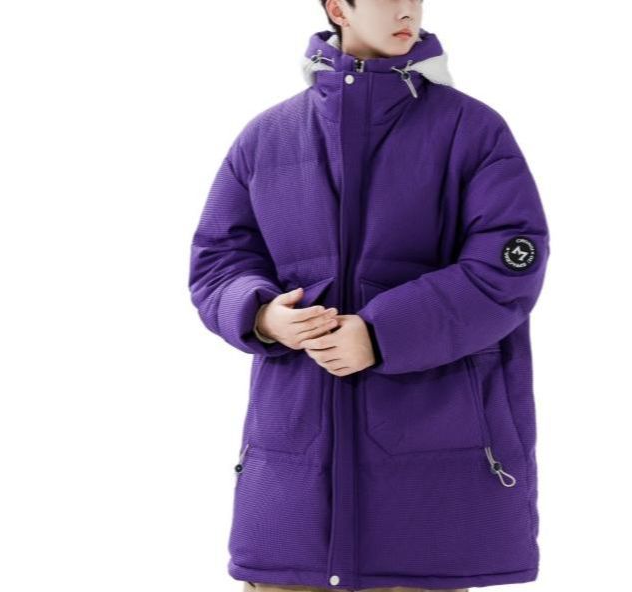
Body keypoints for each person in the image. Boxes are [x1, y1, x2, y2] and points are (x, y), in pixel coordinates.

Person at [188, 0, 550, 590]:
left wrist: (383, 334)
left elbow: (507, 268)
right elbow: (217, 261)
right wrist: (261, 315)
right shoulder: (267, 137)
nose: (407, 11)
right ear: (338, 7)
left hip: (431, 502)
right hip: (290, 505)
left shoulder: (472, 130)